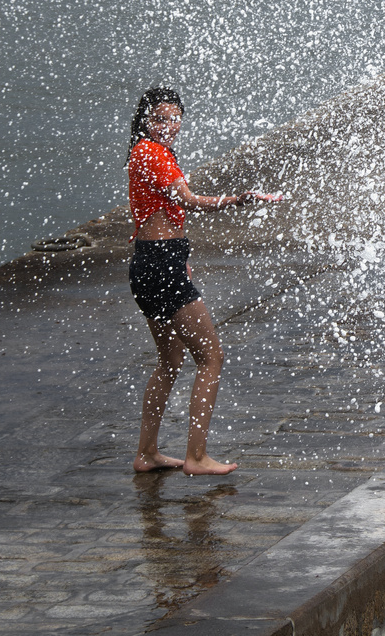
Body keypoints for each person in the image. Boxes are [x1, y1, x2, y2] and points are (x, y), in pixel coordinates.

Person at [125, 86, 282, 476]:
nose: (170, 126)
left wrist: (180, 256)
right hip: (161, 266)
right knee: (211, 357)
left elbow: (157, 215)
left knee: (169, 360)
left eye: (176, 118)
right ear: (145, 120)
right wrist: (237, 200)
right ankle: (196, 457)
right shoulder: (153, 153)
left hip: (151, 263)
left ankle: (147, 454)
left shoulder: (142, 152)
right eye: (161, 118)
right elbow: (188, 199)